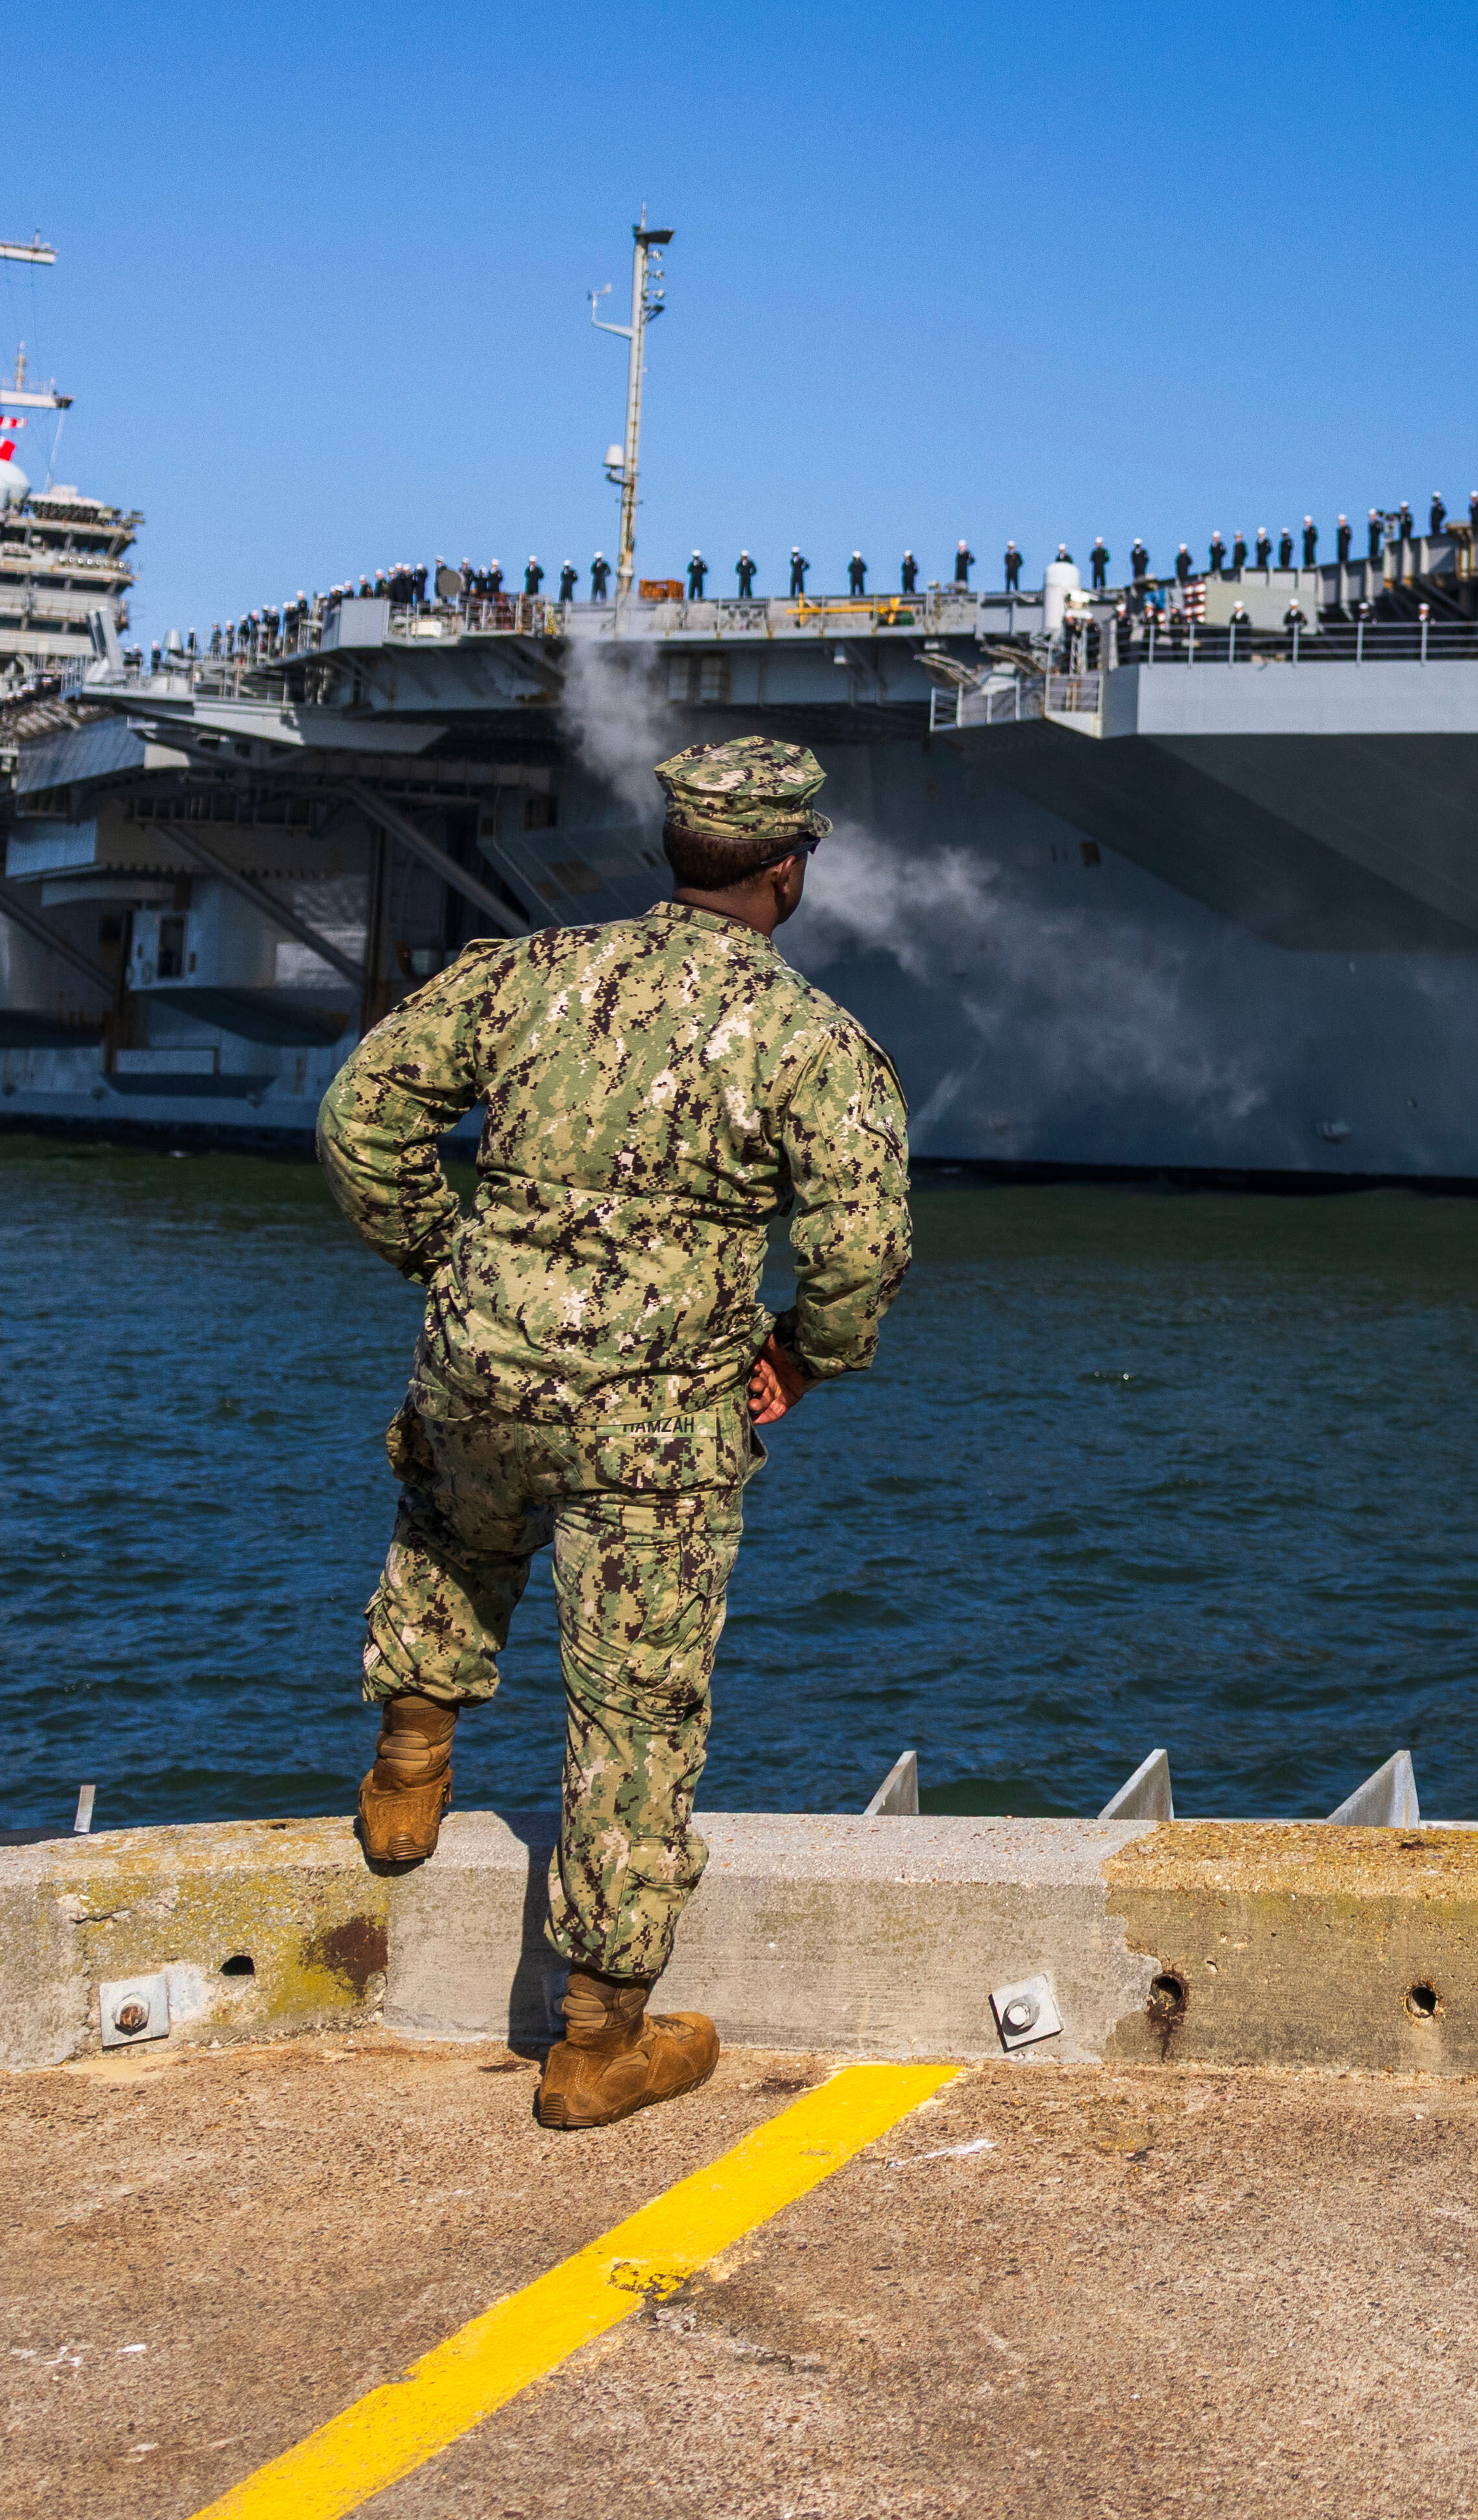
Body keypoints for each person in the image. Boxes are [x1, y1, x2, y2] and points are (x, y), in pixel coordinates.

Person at [326, 736, 916, 2134]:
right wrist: (801, 1359)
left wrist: (449, 1258)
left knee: (452, 1526)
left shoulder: (525, 973)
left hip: (484, 1356)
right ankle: (598, 2043)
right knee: (634, 1710)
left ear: (675, 850)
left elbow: (362, 1115)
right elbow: (862, 1246)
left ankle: (409, 1767)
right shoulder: (810, 1039)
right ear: (788, 866)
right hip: (657, 1414)